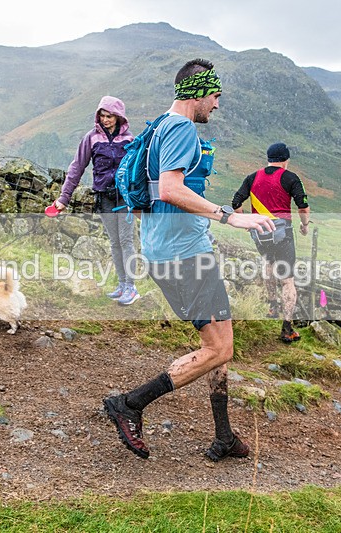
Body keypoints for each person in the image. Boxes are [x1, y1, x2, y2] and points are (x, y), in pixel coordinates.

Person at [102, 59, 275, 461]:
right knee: (220, 349)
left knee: (219, 340)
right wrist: (232, 216)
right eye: (215, 96)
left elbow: (146, 193)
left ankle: (224, 435)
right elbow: (169, 189)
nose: (216, 105)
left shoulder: (160, 124)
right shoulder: (180, 128)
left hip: (168, 250)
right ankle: (130, 403)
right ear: (198, 92)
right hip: (185, 257)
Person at [51, 96, 140, 305]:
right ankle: (121, 284)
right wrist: (64, 197)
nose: (106, 120)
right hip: (104, 196)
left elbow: (138, 169)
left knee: (126, 240)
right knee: (115, 241)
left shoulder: (130, 139)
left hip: (125, 197)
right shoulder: (91, 138)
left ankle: (131, 287)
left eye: (110, 116)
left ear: (119, 117)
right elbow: (77, 167)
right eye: (103, 115)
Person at [231, 142, 310, 343]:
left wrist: (247, 224)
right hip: (282, 234)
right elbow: (303, 206)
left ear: (268, 158)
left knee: (268, 265)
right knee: (287, 279)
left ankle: (272, 306)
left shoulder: (252, 177)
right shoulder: (290, 178)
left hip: (260, 234)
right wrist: (305, 226)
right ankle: (287, 328)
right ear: (286, 160)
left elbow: (236, 203)